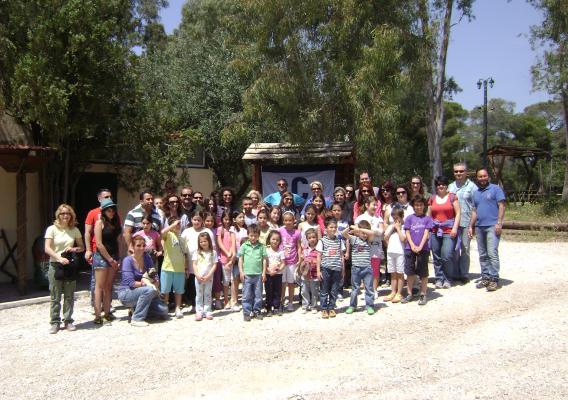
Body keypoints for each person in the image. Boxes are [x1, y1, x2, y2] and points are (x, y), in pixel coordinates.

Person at [44, 204, 84, 334]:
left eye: (68, 213)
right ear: (58, 215)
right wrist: (59, 258)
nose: (65, 216)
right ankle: (55, 322)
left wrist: (74, 249)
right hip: (55, 265)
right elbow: (47, 248)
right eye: (62, 213)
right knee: (55, 296)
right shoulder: (51, 229)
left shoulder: (74, 230)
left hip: (69, 265)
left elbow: (82, 247)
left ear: (71, 215)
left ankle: (68, 320)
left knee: (69, 295)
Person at [468, 168, 506, 292]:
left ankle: (494, 278)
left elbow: (502, 206)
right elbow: (474, 211)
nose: (482, 178)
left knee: (492, 253)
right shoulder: (476, 193)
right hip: (479, 227)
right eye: (480, 176)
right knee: (483, 254)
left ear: (488, 176)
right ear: (477, 178)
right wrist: (471, 226)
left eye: (484, 176)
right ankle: (485, 277)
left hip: (492, 226)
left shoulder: (495, 189)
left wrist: (499, 223)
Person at [118, 236, 168, 327]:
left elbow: (154, 275)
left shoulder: (147, 258)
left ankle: (136, 309)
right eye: (138, 245)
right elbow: (131, 283)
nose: (141, 248)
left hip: (145, 291)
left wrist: (156, 282)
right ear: (132, 246)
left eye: (143, 245)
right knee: (149, 290)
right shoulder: (127, 261)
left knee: (164, 311)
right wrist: (147, 284)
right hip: (127, 292)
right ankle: (137, 318)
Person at [428, 176, 461, 289]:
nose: (440, 186)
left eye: (443, 184)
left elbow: (458, 213)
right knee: (436, 256)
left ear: (447, 185)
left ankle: (448, 278)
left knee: (446, 255)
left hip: (448, 230)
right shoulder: (432, 198)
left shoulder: (452, 197)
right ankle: (439, 278)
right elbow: (429, 215)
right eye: (438, 184)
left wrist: (455, 228)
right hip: (435, 230)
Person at [92, 199, 122, 324]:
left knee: (108, 286)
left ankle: (107, 313)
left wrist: (117, 257)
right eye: (109, 210)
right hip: (102, 257)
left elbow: (118, 240)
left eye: (113, 210)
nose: (111, 212)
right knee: (99, 286)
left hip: (113, 256)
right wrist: (109, 259)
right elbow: (99, 244)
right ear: (104, 211)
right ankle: (97, 315)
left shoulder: (115, 223)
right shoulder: (99, 223)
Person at [84, 188, 114, 310]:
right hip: (97, 250)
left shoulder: (114, 212)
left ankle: (107, 305)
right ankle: (95, 305)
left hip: (111, 251)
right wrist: (88, 250)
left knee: (109, 281)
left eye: (110, 196)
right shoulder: (93, 213)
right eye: (106, 197)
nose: (109, 198)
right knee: (96, 280)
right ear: (99, 199)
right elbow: (87, 232)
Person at [449, 162, 478, 282]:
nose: (458, 173)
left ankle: (464, 273)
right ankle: (455, 273)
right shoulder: (450, 187)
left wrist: (472, 225)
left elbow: (475, 207)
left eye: (461, 171)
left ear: (466, 172)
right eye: (456, 171)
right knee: (454, 249)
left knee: (465, 248)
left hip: (466, 222)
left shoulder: (472, 187)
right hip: (452, 223)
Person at [402, 195, 433, 305]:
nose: (419, 207)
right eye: (416, 205)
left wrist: (420, 246)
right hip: (409, 248)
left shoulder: (427, 219)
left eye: (420, 205)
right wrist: (412, 245)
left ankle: (423, 294)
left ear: (424, 206)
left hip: (423, 248)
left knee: (423, 272)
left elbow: (426, 233)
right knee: (410, 271)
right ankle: (409, 293)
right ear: (413, 206)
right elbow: (407, 232)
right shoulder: (409, 218)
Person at [343, 220, 376, 315]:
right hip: (356, 268)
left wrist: (360, 229)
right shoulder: (354, 239)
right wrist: (353, 229)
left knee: (369, 288)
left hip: (367, 268)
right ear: (358, 233)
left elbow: (372, 233)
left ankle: (370, 306)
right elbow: (344, 234)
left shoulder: (369, 241)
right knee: (355, 289)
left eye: (366, 233)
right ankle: (352, 306)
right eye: (363, 233)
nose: (365, 235)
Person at [160, 217, 189, 319]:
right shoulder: (168, 235)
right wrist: (172, 225)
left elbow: (185, 254)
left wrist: (186, 268)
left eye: (178, 224)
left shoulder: (182, 238)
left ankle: (177, 308)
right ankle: (164, 309)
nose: (177, 226)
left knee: (179, 290)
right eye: (176, 224)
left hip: (179, 269)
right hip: (167, 267)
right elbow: (162, 232)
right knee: (165, 290)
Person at [316, 217, 345, 319]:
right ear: (326, 228)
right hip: (325, 269)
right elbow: (319, 256)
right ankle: (324, 308)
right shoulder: (322, 241)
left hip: (337, 269)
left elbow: (341, 256)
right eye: (331, 227)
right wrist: (318, 271)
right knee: (324, 290)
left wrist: (343, 270)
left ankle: (331, 307)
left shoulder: (339, 241)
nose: (333, 229)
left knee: (334, 290)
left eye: (335, 227)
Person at [354, 197, 385, 291]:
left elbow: (382, 232)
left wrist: (372, 230)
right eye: (373, 205)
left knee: (375, 269)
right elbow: (356, 232)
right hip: (363, 248)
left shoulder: (379, 218)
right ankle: (366, 289)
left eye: (376, 205)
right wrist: (373, 231)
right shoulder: (360, 218)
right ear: (367, 205)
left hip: (376, 247)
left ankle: (374, 290)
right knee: (364, 269)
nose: (375, 207)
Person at [238, 224, 268, 321]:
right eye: (251, 235)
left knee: (258, 294)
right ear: (248, 235)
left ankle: (257, 311)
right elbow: (240, 259)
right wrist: (241, 272)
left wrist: (264, 273)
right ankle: (246, 312)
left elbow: (264, 260)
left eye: (255, 236)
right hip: (247, 274)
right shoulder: (244, 246)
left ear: (258, 236)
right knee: (246, 294)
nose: (253, 238)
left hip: (258, 274)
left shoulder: (261, 246)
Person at [278, 211, 302, 312]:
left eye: (290, 220)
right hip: (282, 261)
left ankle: (291, 302)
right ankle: (281, 301)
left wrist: (300, 258)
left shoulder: (297, 233)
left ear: (294, 221)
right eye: (286, 220)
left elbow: (299, 246)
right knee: (282, 283)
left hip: (292, 261)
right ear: (283, 221)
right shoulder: (280, 230)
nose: (288, 222)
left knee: (291, 283)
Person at [383, 208, 407, 303]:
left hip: (400, 252)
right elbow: (385, 238)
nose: (395, 220)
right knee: (393, 273)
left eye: (397, 218)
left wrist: (398, 229)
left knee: (400, 273)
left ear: (402, 217)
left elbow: (403, 239)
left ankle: (399, 293)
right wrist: (392, 228)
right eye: (393, 218)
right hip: (390, 252)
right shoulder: (390, 226)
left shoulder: (404, 227)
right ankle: (393, 291)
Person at [192, 232, 217, 320]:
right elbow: (194, 264)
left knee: (208, 294)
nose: (203, 243)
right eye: (201, 242)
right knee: (199, 295)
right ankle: (199, 311)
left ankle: (207, 311)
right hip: (199, 278)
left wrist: (209, 275)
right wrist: (197, 275)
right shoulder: (196, 252)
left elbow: (214, 265)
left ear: (209, 241)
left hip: (209, 278)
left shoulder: (213, 252)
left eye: (205, 241)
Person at [217, 210, 236, 309]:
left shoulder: (232, 229)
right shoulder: (220, 229)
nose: (227, 221)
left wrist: (231, 253)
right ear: (222, 219)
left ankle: (233, 300)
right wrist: (227, 253)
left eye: (229, 219)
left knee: (233, 279)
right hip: (224, 258)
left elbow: (233, 242)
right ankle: (225, 300)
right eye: (225, 219)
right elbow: (219, 243)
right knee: (226, 280)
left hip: (232, 257)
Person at [264, 230, 285, 316]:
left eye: (277, 240)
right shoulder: (266, 250)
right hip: (268, 274)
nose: (275, 241)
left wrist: (278, 270)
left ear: (280, 241)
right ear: (269, 239)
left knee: (277, 291)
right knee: (269, 291)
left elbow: (283, 263)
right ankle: (268, 308)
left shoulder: (281, 251)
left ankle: (276, 307)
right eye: (273, 239)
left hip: (278, 275)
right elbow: (264, 262)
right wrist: (268, 270)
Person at [299, 228, 320, 314]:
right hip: (305, 274)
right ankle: (305, 306)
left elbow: (321, 261)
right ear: (307, 239)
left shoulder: (319, 249)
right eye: (310, 238)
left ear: (317, 238)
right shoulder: (305, 249)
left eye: (313, 237)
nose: (312, 239)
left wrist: (314, 262)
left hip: (314, 274)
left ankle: (314, 306)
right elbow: (302, 260)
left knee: (314, 291)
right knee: (304, 291)